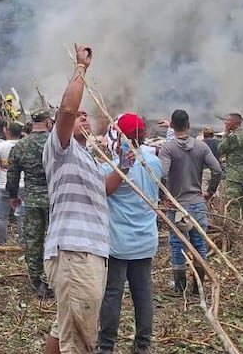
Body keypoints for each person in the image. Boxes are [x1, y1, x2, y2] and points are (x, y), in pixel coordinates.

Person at [42, 44, 109, 354]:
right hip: (74, 251)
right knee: (79, 337)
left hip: (89, 251)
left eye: (87, 115)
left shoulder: (88, 157)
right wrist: (81, 69)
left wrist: (126, 163)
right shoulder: (61, 148)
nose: (83, 116)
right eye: (80, 114)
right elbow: (67, 110)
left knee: (66, 326)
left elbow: (104, 190)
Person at [95, 113, 159, 354]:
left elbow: (103, 191)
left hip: (118, 243)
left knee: (112, 294)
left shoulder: (112, 167)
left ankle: (106, 346)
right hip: (145, 240)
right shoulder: (154, 163)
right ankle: (143, 345)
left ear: (120, 136)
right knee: (143, 294)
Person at [158, 109, 222, 293]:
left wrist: (163, 196)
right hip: (198, 203)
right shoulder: (201, 147)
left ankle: (180, 286)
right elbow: (217, 169)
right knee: (199, 243)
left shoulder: (168, 148)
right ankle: (198, 287)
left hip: (178, 205)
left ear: (172, 124)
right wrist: (209, 192)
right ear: (189, 125)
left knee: (178, 244)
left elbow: (162, 173)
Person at [8, 108, 53, 298]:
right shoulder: (56, 144)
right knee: (54, 241)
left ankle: (37, 280)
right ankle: (52, 278)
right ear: (48, 123)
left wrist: (14, 196)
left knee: (33, 241)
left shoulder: (20, 146)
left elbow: (12, 177)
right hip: (55, 200)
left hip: (32, 199)